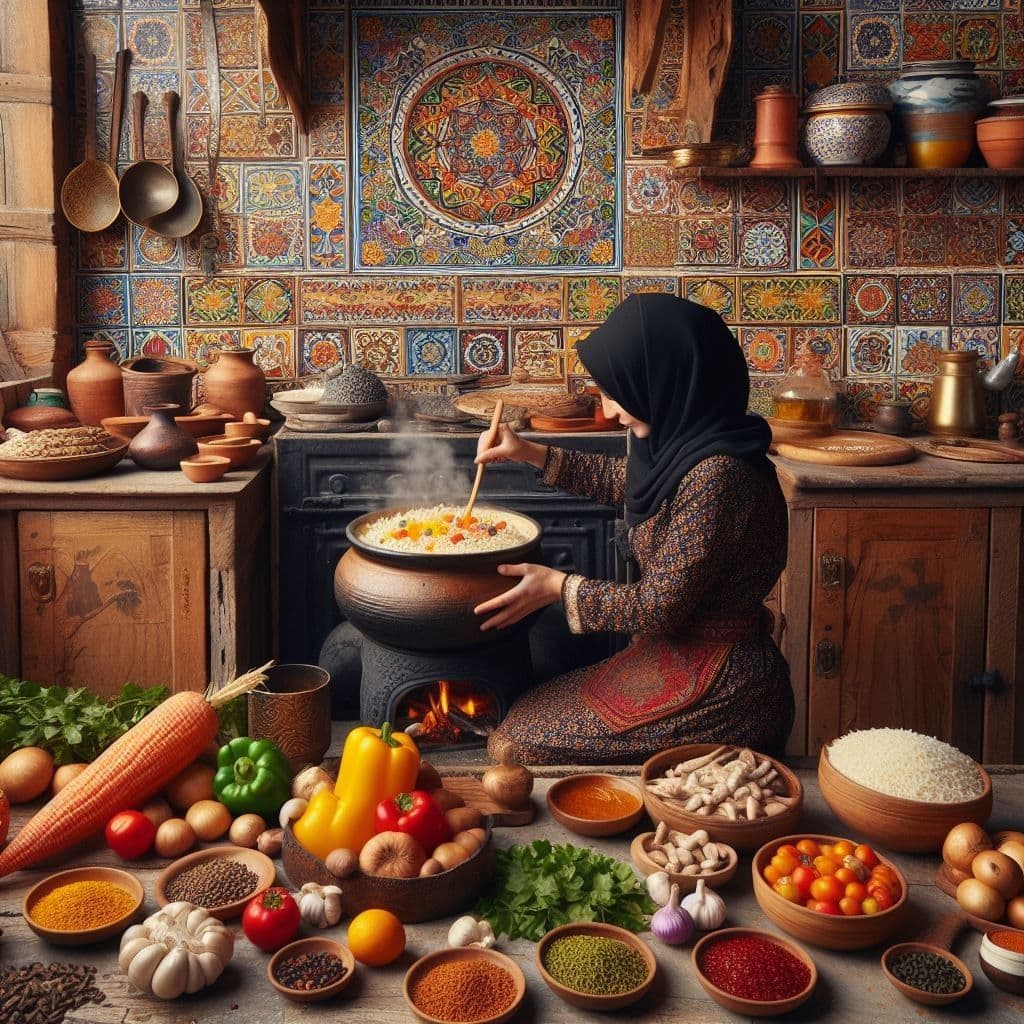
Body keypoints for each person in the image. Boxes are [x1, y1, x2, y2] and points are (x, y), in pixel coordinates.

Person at [473, 293, 793, 765]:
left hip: (727, 681)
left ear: (663, 380)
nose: (608, 410)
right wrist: (526, 451)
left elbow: (658, 607)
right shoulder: (683, 445)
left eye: (615, 393)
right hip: (672, 653)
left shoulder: (720, 476)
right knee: (518, 718)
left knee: (513, 744)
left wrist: (558, 588)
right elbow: (626, 481)